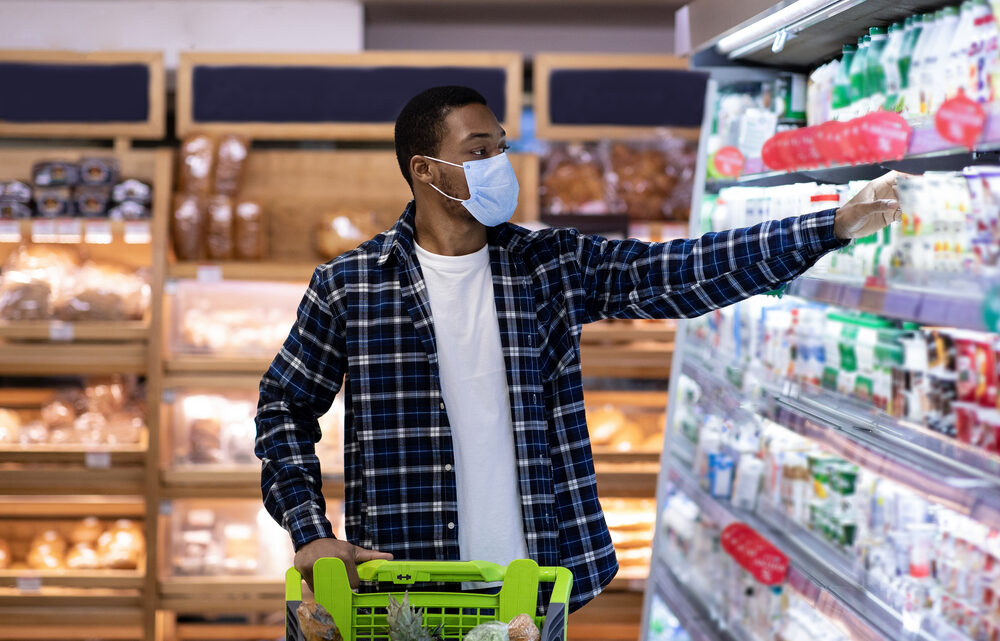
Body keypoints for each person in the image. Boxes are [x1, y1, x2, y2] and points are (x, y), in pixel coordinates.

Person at [255, 85, 901, 612]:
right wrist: (309, 530)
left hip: (530, 594)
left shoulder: (549, 265)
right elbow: (283, 406)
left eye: (500, 148)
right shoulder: (351, 285)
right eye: (479, 151)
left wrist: (829, 224)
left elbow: (679, 271)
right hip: (404, 591)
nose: (498, 166)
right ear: (425, 171)